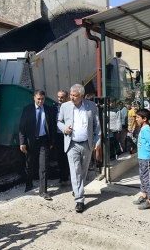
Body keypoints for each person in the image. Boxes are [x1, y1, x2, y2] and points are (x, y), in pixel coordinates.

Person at [57, 84, 101, 213]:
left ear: (81, 96)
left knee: (83, 171)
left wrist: (97, 141)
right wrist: (64, 128)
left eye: (75, 96)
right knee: (75, 171)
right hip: (72, 144)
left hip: (87, 144)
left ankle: (77, 189)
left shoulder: (91, 106)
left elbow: (97, 126)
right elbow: (59, 122)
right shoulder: (65, 106)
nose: (72, 98)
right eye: (71, 95)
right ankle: (79, 200)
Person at [19, 89, 55, 200]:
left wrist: (52, 141)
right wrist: (22, 142)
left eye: (42, 99)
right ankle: (29, 184)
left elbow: (52, 127)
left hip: (43, 141)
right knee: (29, 164)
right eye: (38, 99)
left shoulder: (48, 110)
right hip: (31, 141)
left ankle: (43, 191)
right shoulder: (28, 109)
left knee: (43, 166)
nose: (40, 101)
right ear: (34, 98)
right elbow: (21, 127)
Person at [132, 108, 150, 209]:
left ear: (144, 119)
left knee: (147, 179)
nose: (137, 119)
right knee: (142, 177)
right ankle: (144, 195)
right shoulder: (142, 128)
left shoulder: (146, 129)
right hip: (142, 157)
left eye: (138, 117)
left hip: (147, 158)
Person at [55, 90, 70, 185]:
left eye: (62, 97)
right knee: (59, 157)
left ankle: (67, 175)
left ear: (66, 97)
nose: (60, 99)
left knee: (68, 157)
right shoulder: (54, 108)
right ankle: (62, 178)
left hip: (68, 135)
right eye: (58, 97)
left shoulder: (70, 107)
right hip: (58, 136)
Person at [84, 93, 101, 171]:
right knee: (94, 148)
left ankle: (95, 163)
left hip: (93, 131)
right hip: (93, 131)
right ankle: (95, 163)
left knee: (94, 148)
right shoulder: (96, 107)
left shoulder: (93, 108)